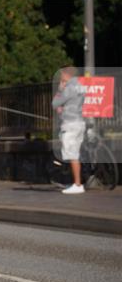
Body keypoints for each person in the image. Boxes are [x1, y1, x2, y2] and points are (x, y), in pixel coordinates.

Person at [52, 66, 86, 194]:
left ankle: (77, 184)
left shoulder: (68, 88)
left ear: (67, 75)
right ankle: (76, 182)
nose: (60, 77)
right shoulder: (80, 87)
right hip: (79, 122)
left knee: (72, 154)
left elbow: (55, 103)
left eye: (62, 75)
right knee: (74, 153)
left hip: (70, 125)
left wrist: (60, 90)